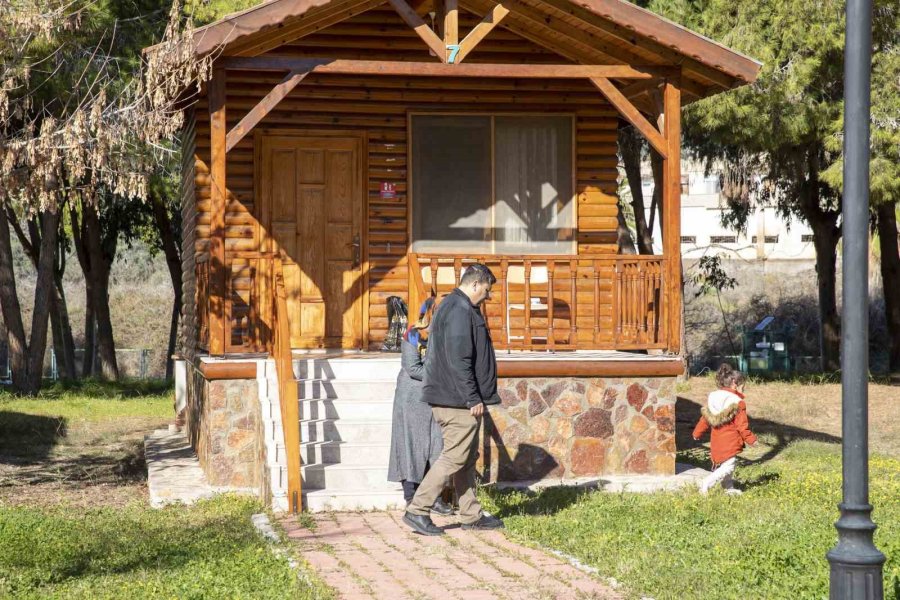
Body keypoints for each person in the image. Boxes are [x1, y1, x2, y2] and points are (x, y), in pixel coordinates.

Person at [403, 264, 504, 536]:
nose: (487, 296)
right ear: (474, 285)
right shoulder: (459, 310)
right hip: (456, 400)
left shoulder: (451, 306)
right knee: (453, 457)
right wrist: (472, 396)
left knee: (466, 459)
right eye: (486, 290)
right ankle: (417, 509)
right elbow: (459, 360)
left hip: (451, 397)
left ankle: (471, 515)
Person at [387, 297, 452, 515]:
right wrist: (443, 376)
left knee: (436, 445)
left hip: (436, 395)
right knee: (411, 445)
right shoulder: (413, 334)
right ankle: (411, 496)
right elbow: (413, 368)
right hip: (412, 397)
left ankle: (433, 497)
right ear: (432, 312)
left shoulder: (447, 335)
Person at [692, 363, 758, 495]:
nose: (744, 388)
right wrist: (752, 440)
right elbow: (742, 425)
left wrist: (697, 432)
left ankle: (728, 486)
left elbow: (705, 418)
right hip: (730, 439)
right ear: (735, 383)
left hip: (717, 439)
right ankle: (706, 483)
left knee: (728, 463)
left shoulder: (714, 397)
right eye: (742, 385)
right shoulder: (737, 402)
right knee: (729, 464)